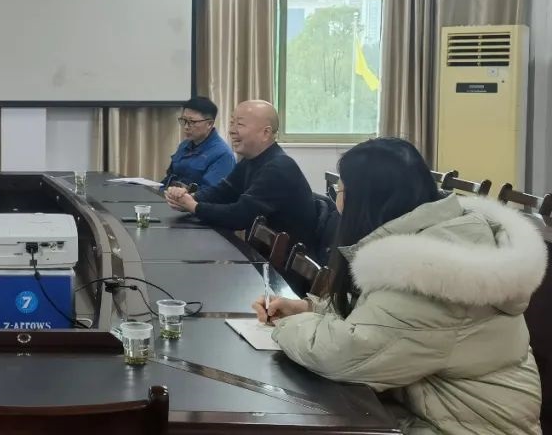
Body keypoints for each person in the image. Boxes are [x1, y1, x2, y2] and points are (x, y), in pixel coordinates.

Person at [254, 138, 544, 434]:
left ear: (364, 200)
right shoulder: (442, 238)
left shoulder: (427, 272)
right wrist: (308, 308)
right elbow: (382, 318)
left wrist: (285, 326)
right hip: (445, 414)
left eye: (340, 191)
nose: (337, 201)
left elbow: (344, 355)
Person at [165, 100, 318, 248]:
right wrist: (189, 198)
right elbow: (222, 192)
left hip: (282, 263)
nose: (232, 130)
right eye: (232, 123)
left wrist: (195, 207)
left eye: (240, 124)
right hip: (261, 254)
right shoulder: (251, 160)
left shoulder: (279, 167)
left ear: (266, 133)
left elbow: (240, 215)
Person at [161, 96, 235, 191]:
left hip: (193, 200)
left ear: (209, 124)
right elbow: (170, 177)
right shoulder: (184, 145)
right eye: (184, 121)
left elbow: (211, 193)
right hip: (171, 196)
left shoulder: (223, 154)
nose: (186, 127)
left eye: (192, 122)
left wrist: (183, 193)